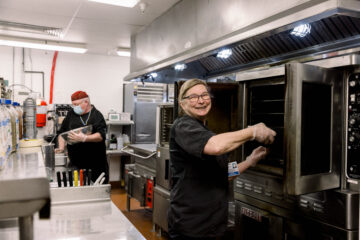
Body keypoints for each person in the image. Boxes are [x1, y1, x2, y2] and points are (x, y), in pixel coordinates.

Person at [168, 79, 276, 240]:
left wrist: (249, 161)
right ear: (182, 104)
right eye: (193, 97)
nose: (201, 100)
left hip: (212, 224)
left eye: (204, 95)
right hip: (192, 226)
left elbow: (223, 174)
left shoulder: (203, 129)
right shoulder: (184, 126)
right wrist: (253, 131)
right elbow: (216, 146)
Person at [55, 90, 109, 183]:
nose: (75, 107)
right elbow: (62, 133)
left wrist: (84, 138)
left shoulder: (97, 115)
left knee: (95, 192)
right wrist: (61, 147)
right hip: (75, 164)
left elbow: (100, 135)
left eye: (77, 104)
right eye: (73, 105)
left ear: (86, 102)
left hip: (95, 165)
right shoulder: (71, 114)